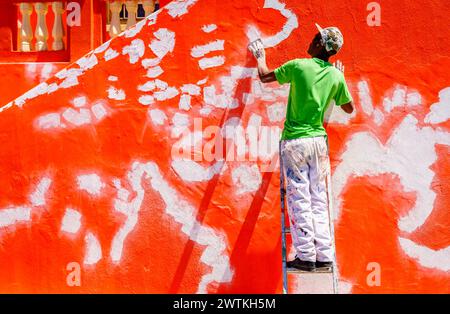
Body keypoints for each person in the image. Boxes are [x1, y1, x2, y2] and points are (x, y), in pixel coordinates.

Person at [248, 24, 354, 272]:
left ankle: (306, 256)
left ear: (320, 45)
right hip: (318, 143)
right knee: (318, 197)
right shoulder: (335, 76)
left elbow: (264, 76)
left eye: (315, 37)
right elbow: (349, 108)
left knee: (299, 198)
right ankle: (324, 254)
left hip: (296, 142)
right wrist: (337, 81)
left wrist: (260, 55)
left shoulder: (298, 66)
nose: (311, 38)